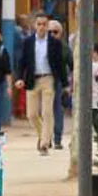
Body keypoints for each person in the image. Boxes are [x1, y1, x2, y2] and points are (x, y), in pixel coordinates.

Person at [15, 13, 67, 155]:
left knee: (47, 111)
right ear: (35, 25)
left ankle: (44, 144)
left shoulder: (55, 43)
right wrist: (20, 78)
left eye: (44, 24)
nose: (42, 27)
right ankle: (43, 135)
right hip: (32, 79)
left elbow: (60, 64)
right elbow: (22, 61)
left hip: (48, 79)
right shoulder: (28, 42)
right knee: (31, 114)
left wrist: (65, 83)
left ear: (48, 25)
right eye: (39, 24)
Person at [48, 19, 73, 149]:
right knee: (44, 111)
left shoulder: (64, 47)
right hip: (43, 80)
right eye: (49, 32)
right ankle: (46, 138)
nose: (52, 34)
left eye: (55, 32)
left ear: (60, 33)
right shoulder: (41, 45)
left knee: (57, 109)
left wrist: (68, 85)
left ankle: (57, 139)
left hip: (58, 81)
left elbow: (72, 65)